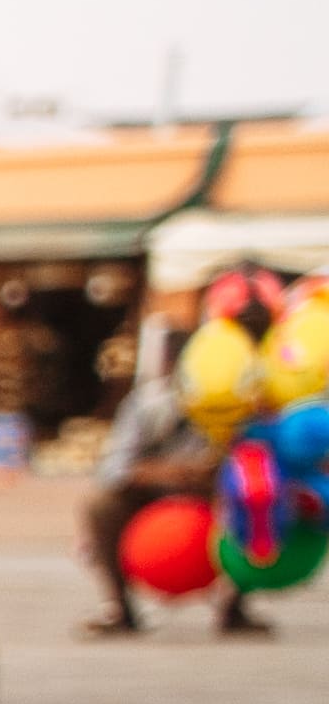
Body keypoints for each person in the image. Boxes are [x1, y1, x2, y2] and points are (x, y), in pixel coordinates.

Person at [82, 274, 275, 641]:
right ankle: (120, 610)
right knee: (99, 505)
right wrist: (172, 474)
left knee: (255, 493)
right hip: (156, 494)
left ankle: (235, 607)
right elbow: (114, 468)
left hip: (212, 495)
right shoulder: (151, 405)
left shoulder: (248, 404)